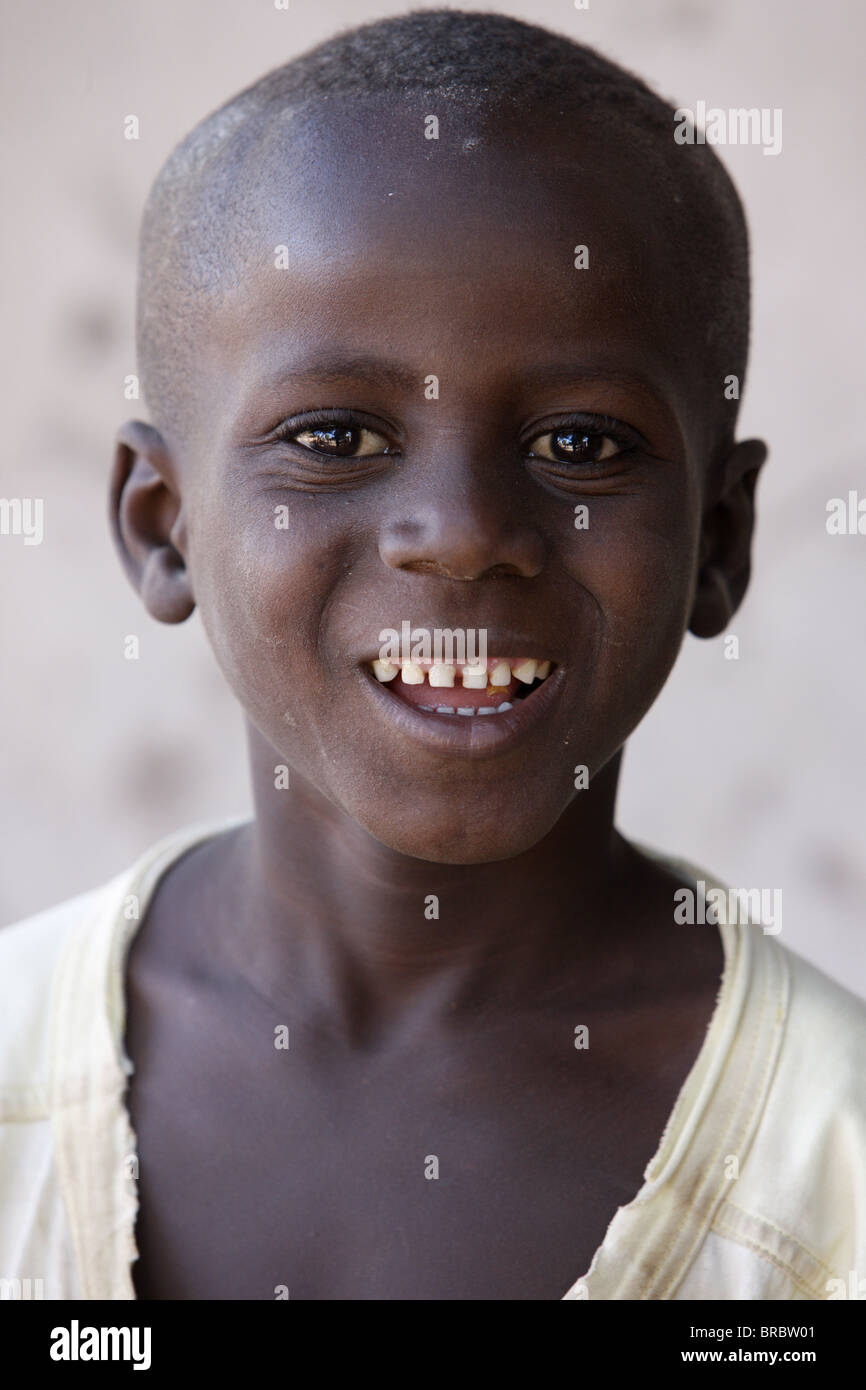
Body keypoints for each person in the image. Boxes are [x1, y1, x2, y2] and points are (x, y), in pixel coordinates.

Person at [1, 9, 863, 1301]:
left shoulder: (830, 1175)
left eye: (580, 446)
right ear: (160, 525)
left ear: (718, 541)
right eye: (336, 436)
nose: (462, 539)